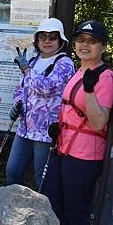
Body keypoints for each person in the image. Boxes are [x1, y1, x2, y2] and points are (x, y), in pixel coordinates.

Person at [42, 20, 113, 225]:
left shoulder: (105, 77)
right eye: (81, 40)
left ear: (102, 46)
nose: (85, 45)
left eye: (92, 41)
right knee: (52, 199)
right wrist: (59, 126)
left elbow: (98, 122)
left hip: (85, 155)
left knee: (77, 210)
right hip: (64, 147)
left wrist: (90, 91)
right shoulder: (79, 70)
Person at [6, 18, 75, 188]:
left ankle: (43, 212)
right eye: (42, 37)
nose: (47, 41)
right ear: (37, 41)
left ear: (60, 40)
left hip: (46, 133)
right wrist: (16, 104)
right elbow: (21, 88)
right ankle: (12, 207)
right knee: (12, 170)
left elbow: (47, 88)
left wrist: (26, 70)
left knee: (42, 179)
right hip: (25, 128)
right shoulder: (33, 61)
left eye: (52, 37)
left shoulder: (64, 64)